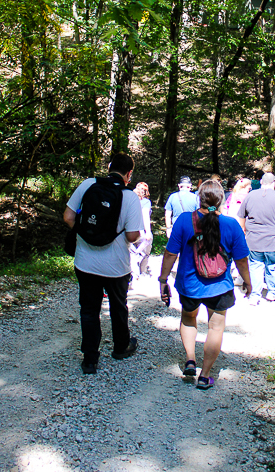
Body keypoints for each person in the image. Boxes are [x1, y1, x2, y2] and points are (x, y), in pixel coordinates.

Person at [159, 180, 252, 390]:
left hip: (189, 285)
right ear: (221, 200)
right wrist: (247, 281)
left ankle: (190, 360)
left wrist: (163, 279)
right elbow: (242, 260)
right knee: (215, 327)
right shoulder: (231, 225)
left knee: (188, 318)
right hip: (219, 287)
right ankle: (205, 374)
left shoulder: (184, 220)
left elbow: (170, 253)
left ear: (198, 198)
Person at [63, 152, 143, 373]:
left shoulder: (88, 184)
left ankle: (90, 359)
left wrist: (87, 235)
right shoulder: (130, 196)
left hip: (85, 262)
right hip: (115, 266)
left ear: (109, 167)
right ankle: (121, 347)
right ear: (129, 174)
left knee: (89, 309)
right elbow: (132, 235)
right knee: (118, 306)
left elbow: (68, 217)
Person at [238, 172, 275, 304]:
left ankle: (255, 295)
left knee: (255, 266)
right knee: (272, 265)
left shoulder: (250, 196)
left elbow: (241, 216)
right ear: (274, 184)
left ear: (261, 182)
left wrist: (243, 230)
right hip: (273, 239)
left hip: (254, 239)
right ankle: (272, 293)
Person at [130, 181, 153, 281]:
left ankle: (133, 273)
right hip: (140, 231)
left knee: (131, 252)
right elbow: (145, 217)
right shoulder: (146, 202)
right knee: (144, 252)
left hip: (129, 230)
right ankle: (142, 272)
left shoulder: (129, 200)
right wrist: (148, 232)